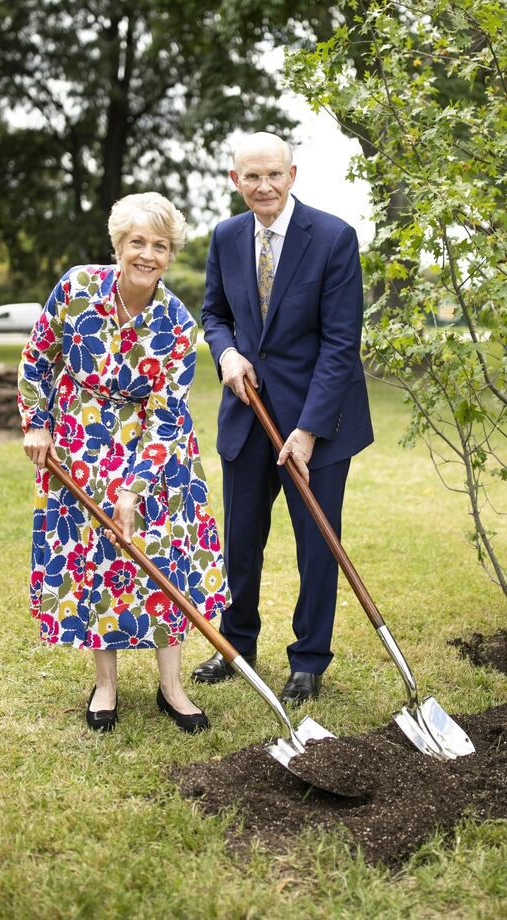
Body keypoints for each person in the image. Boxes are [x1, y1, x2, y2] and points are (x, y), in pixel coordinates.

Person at [18, 192, 230, 733]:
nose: (148, 254)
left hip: (156, 453)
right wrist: (37, 421)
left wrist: (134, 489)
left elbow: (165, 411)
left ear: (170, 254)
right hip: (81, 440)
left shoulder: (178, 323)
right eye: (137, 242)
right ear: (118, 244)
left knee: (163, 560)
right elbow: (39, 356)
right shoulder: (76, 288)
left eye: (160, 246)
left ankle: (172, 686)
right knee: (95, 558)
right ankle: (106, 686)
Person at [192, 132, 373, 704]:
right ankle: (237, 646)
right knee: (241, 542)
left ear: (292, 175)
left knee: (316, 546)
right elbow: (214, 313)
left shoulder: (334, 238)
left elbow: (342, 343)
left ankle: (309, 660)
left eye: (274, 175)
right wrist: (225, 353)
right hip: (248, 418)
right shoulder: (224, 237)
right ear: (235, 181)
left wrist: (308, 430)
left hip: (317, 426)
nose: (263, 186)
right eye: (252, 177)